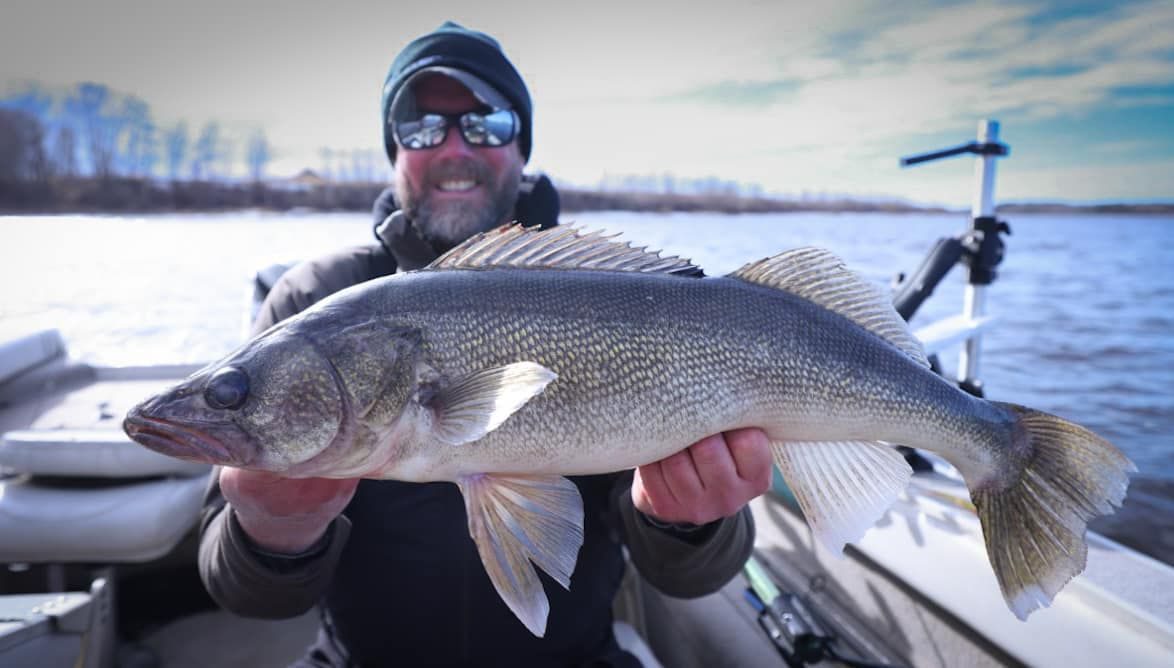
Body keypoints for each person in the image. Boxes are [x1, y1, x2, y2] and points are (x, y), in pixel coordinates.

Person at [198, 21, 773, 667]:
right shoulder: (313, 300)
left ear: (521, 144)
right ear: (394, 150)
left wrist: (686, 521)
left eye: (486, 124)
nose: (452, 147)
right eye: (421, 127)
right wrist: (274, 530)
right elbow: (240, 592)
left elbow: (687, 579)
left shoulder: (614, 296)